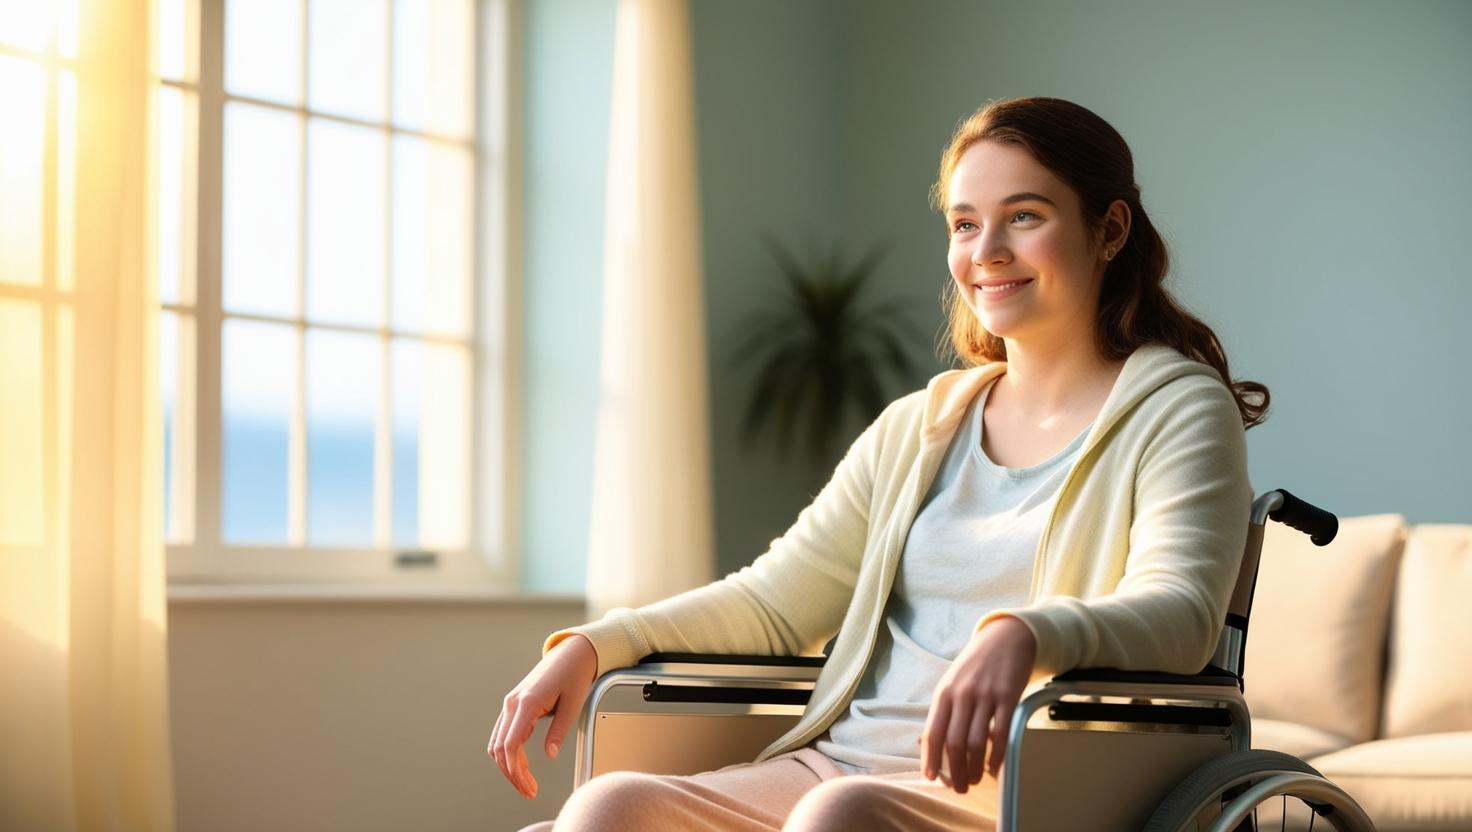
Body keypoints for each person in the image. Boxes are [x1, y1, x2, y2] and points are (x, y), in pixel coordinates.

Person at [491, 96, 1269, 831]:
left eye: (1024, 217)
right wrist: (597, 645)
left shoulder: (1178, 409)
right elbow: (773, 604)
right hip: (839, 774)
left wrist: (1024, 636)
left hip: (1029, 789)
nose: (986, 252)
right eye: (965, 224)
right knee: (611, 807)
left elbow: (1180, 616)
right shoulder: (921, 428)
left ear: (1109, 230)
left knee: (839, 821)